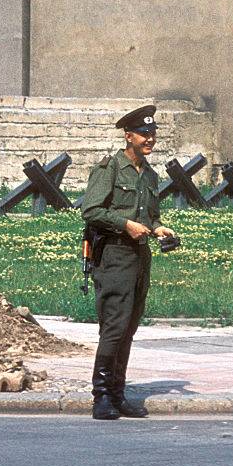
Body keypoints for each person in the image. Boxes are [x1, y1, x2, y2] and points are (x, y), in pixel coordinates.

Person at [80, 104, 176, 420]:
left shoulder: (149, 175)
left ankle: (118, 395)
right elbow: (91, 211)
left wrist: (159, 227)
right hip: (113, 257)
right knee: (113, 327)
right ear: (128, 135)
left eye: (153, 134)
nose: (150, 139)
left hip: (139, 258)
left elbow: (150, 215)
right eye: (144, 134)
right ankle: (102, 397)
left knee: (129, 328)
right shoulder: (108, 169)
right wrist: (126, 225)